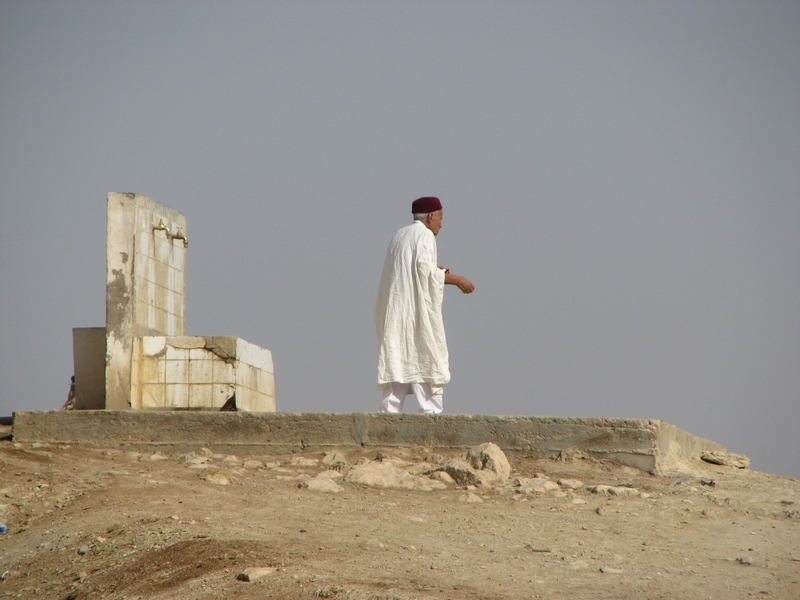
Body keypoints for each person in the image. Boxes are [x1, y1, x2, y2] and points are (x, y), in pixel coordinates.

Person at [375, 196, 474, 413]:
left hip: (396, 313)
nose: (441, 224)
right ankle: (431, 422)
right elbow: (426, 274)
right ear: (430, 217)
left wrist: (437, 270)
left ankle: (386, 423)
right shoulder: (426, 236)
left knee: (397, 363)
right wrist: (457, 280)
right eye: (440, 218)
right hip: (415, 314)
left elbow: (408, 269)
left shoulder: (399, 235)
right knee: (425, 359)